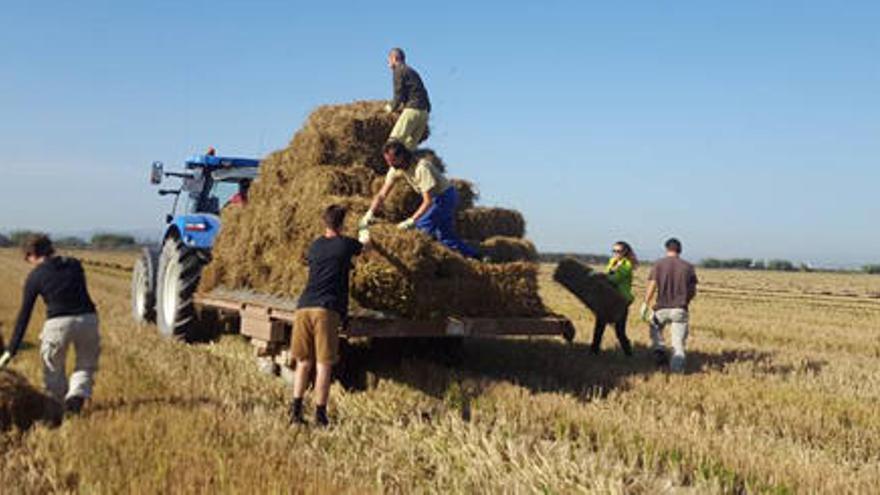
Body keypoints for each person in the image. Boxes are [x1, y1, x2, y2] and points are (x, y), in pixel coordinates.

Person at [0, 235, 100, 414]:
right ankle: (76, 396)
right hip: (88, 319)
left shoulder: (35, 276)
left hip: (58, 323)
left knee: (53, 370)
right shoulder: (74, 264)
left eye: (27, 258)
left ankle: (56, 408)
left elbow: (24, 315)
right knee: (85, 365)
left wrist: (11, 350)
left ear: (32, 255)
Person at [289, 205, 369, 427]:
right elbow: (364, 248)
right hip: (326, 310)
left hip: (303, 306)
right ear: (342, 224)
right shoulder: (345, 244)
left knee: (304, 362)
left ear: (325, 223)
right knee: (324, 364)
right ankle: (320, 415)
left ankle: (295, 412)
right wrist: (365, 233)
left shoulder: (314, 246)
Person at [361, 140, 479, 259]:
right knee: (446, 237)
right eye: (387, 161)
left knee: (421, 228)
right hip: (438, 198)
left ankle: (418, 261)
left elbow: (428, 201)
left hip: (444, 197)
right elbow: (382, 194)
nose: (390, 164)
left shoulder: (421, 168)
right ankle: (476, 256)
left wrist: (411, 221)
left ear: (402, 156)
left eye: (392, 161)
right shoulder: (396, 169)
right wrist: (369, 213)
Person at [641, 238, 698, 373]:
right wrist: (685, 301)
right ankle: (677, 371)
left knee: (656, 331)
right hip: (680, 309)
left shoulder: (658, 265)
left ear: (667, 249)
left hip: (661, 308)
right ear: (680, 250)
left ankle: (659, 350)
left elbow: (652, 286)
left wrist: (645, 303)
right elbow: (693, 291)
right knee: (678, 344)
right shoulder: (688, 267)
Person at [591, 241, 636, 356]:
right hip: (608, 299)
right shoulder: (612, 262)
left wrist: (600, 277)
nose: (616, 253)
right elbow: (608, 274)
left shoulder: (627, 265)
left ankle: (628, 353)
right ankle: (593, 351)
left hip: (620, 300)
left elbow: (615, 279)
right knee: (599, 326)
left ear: (625, 252)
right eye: (614, 251)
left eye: (619, 251)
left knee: (619, 331)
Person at [385, 47, 431, 150]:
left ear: (394, 58)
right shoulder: (412, 71)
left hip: (413, 110)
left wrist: (391, 108)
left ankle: (393, 165)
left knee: (393, 143)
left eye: (389, 60)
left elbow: (398, 95)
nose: (388, 64)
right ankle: (402, 166)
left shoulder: (399, 70)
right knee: (408, 148)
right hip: (424, 113)